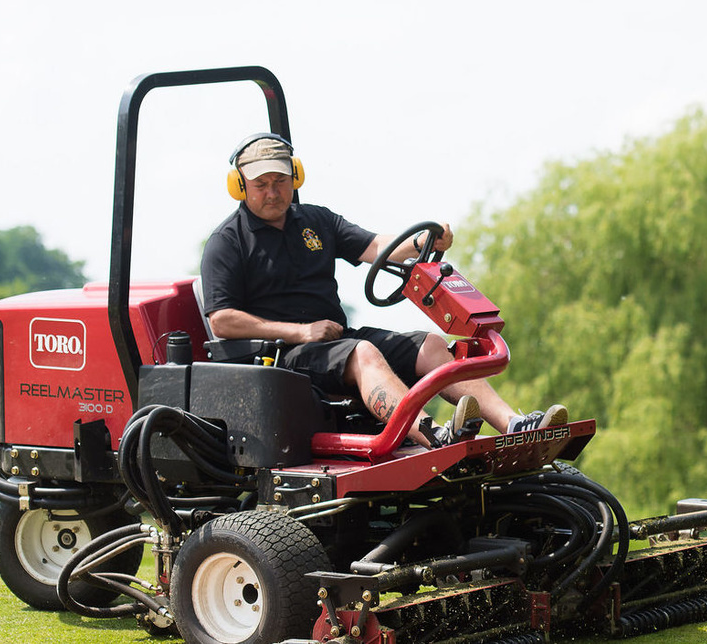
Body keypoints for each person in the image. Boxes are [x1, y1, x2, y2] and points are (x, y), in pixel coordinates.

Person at [200, 133, 565, 448]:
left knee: (431, 344)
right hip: (285, 356)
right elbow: (222, 320)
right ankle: (435, 435)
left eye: (279, 181)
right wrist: (299, 332)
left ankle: (514, 424)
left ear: (295, 177)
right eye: (261, 184)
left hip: (335, 341)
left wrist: (424, 239)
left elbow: (376, 247)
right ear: (240, 186)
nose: (272, 192)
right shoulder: (228, 242)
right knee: (364, 354)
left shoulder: (316, 220)